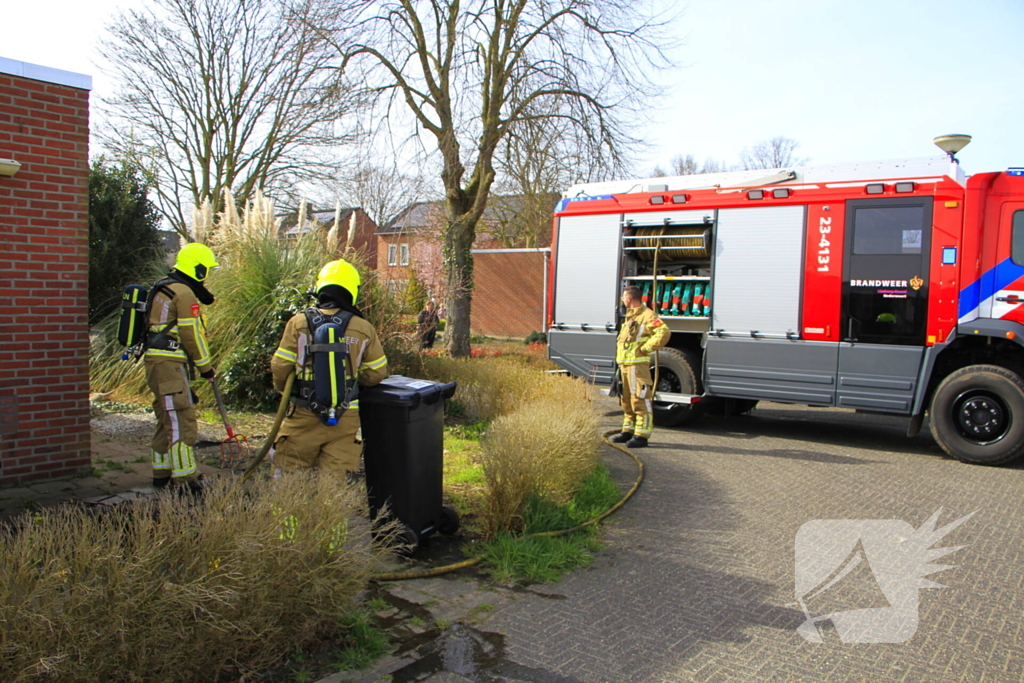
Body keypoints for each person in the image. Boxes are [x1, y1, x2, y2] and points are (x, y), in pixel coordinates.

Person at [269, 259, 389, 479]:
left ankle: (287, 503)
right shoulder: (363, 328)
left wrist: (286, 391)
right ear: (352, 290)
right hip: (345, 417)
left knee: (290, 471)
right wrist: (351, 381)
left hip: (303, 413)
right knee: (336, 478)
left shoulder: (298, 323)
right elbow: (376, 372)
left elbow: (280, 366)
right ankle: (330, 504)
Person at [145, 242, 219, 491]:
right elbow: (191, 335)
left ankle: (161, 474)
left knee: (166, 418)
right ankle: (187, 480)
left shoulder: (164, 287)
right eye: (206, 269)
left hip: (157, 362)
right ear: (198, 269)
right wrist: (206, 367)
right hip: (170, 363)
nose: (207, 275)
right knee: (181, 420)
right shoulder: (184, 293)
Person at [611, 285, 671, 448]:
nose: (622, 300)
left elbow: (664, 332)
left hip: (637, 367)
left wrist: (646, 348)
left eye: (623, 298)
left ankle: (641, 435)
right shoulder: (631, 316)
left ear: (629, 299)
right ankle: (628, 430)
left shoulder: (647, 316)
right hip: (625, 365)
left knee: (639, 400)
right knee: (626, 400)